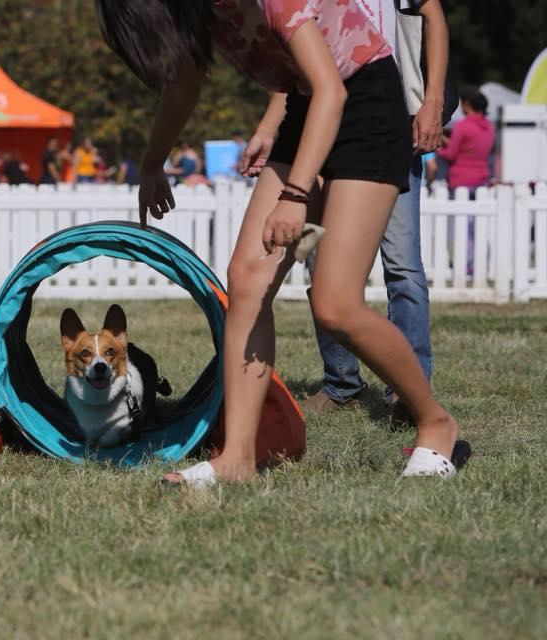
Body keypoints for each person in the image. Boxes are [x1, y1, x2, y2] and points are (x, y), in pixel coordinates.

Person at [96, 0, 463, 483]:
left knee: (336, 304)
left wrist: (295, 194)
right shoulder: (197, 13)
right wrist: (151, 163)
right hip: (305, 106)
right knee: (246, 279)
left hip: (365, 105)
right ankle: (238, 459)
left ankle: (437, 424)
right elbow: (185, 84)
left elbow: (333, 91)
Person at [305, 0, 451, 422]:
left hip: (394, 124)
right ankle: (341, 383)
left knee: (402, 265)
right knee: (315, 256)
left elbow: (433, 15)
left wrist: (431, 101)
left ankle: (408, 390)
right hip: (327, 122)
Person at [436, 89, 495, 197]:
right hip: (482, 180)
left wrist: (437, 150)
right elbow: (468, 148)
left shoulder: (462, 126)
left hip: (461, 180)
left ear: (466, 103)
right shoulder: (489, 127)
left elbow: (450, 155)